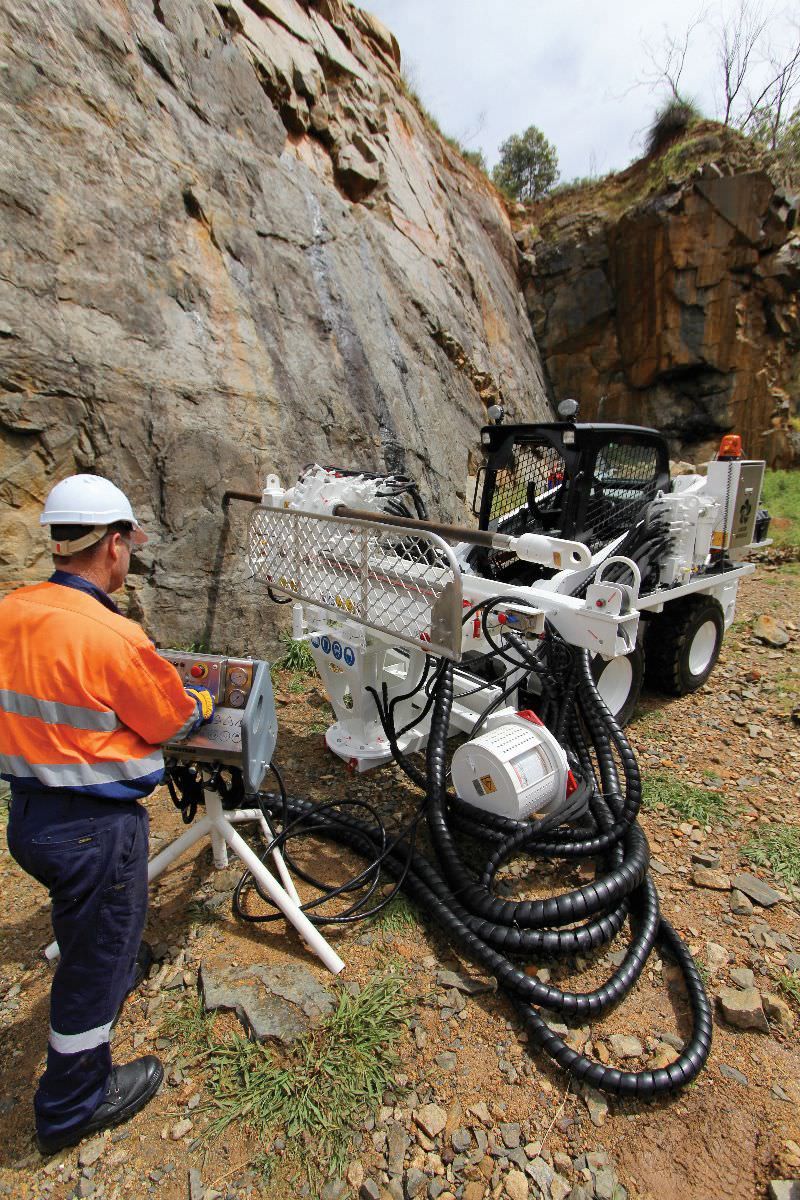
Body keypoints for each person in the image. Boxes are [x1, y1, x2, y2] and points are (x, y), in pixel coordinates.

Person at [0, 474, 215, 1155]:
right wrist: (203, 705)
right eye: (130, 546)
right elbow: (170, 717)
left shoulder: (10, 611)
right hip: (95, 830)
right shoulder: (115, 637)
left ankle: (120, 965)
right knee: (91, 963)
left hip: (29, 817)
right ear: (114, 546)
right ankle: (73, 1102)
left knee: (84, 918)